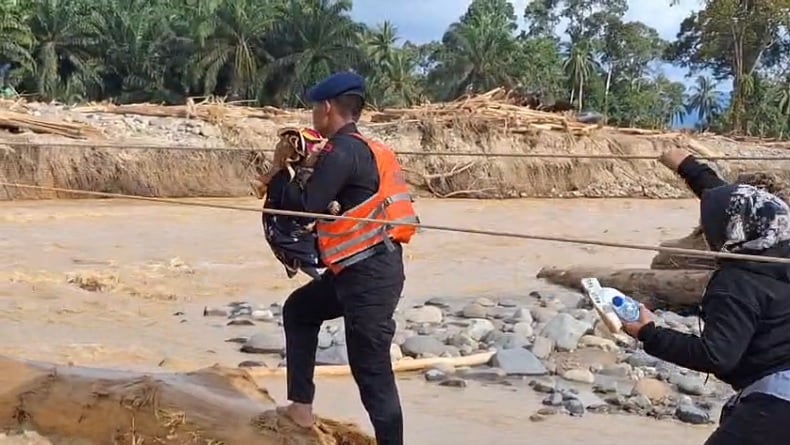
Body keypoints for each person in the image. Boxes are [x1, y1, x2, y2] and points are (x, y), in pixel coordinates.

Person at [266, 71, 419, 445]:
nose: (313, 114)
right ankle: (301, 409)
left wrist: (281, 176)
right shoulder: (360, 148)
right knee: (299, 311)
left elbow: (306, 207)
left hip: (369, 276)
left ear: (327, 108)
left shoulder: (341, 151)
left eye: (315, 107)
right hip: (357, 270)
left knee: (372, 372)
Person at [621, 148, 790, 445]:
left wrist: (649, 333)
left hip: (777, 404)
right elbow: (735, 204)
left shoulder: (738, 283)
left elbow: (717, 356)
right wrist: (686, 165)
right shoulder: (776, 251)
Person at [257, 127, 327, 280]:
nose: (321, 148)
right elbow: (303, 209)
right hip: (289, 237)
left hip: (296, 234)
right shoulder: (286, 181)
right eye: (316, 146)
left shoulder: (303, 173)